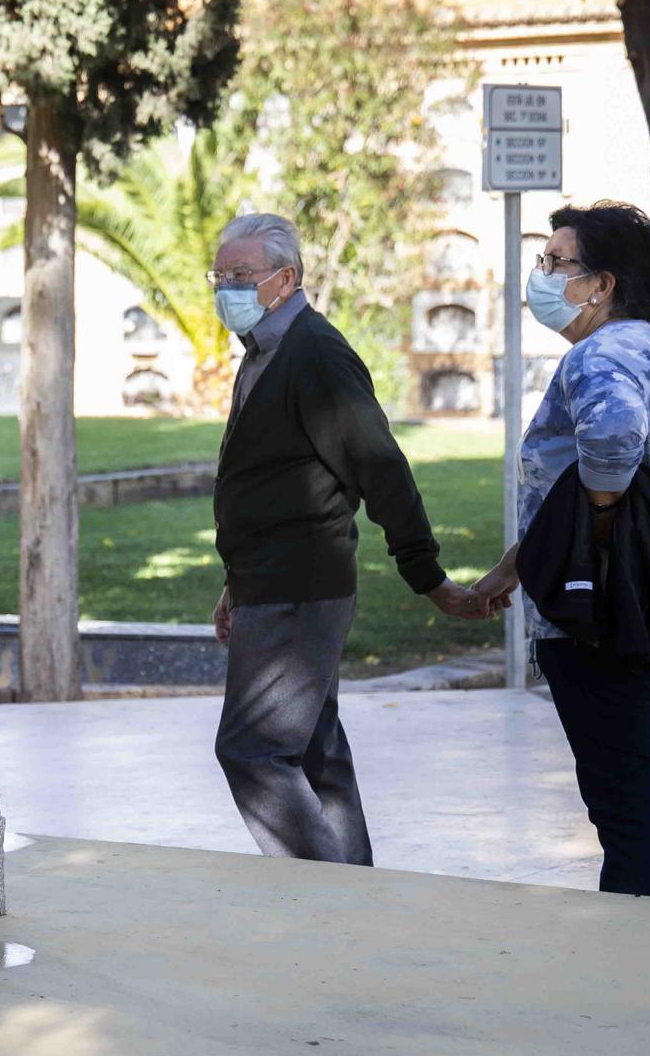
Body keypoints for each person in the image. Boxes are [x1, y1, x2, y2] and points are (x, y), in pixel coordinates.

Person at [209, 213, 487, 866]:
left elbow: (380, 466)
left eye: (240, 276)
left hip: (300, 586)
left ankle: (327, 894)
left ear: (287, 278)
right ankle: (356, 899)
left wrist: (427, 575)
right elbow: (275, 480)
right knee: (313, 747)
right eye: (219, 276)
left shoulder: (316, 354)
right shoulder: (266, 351)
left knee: (252, 749)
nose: (226, 288)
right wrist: (236, 579)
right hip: (270, 580)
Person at [474, 201, 650, 899]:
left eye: (555, 263)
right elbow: (577, 494)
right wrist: (517, 566)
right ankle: (647, 941)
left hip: (606, 622)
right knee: (644, 793)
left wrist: (592, 547)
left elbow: (609, 445)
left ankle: (633, 960)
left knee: (626, 809)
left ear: (601, 283)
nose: (542, 275)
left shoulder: (600, 356)